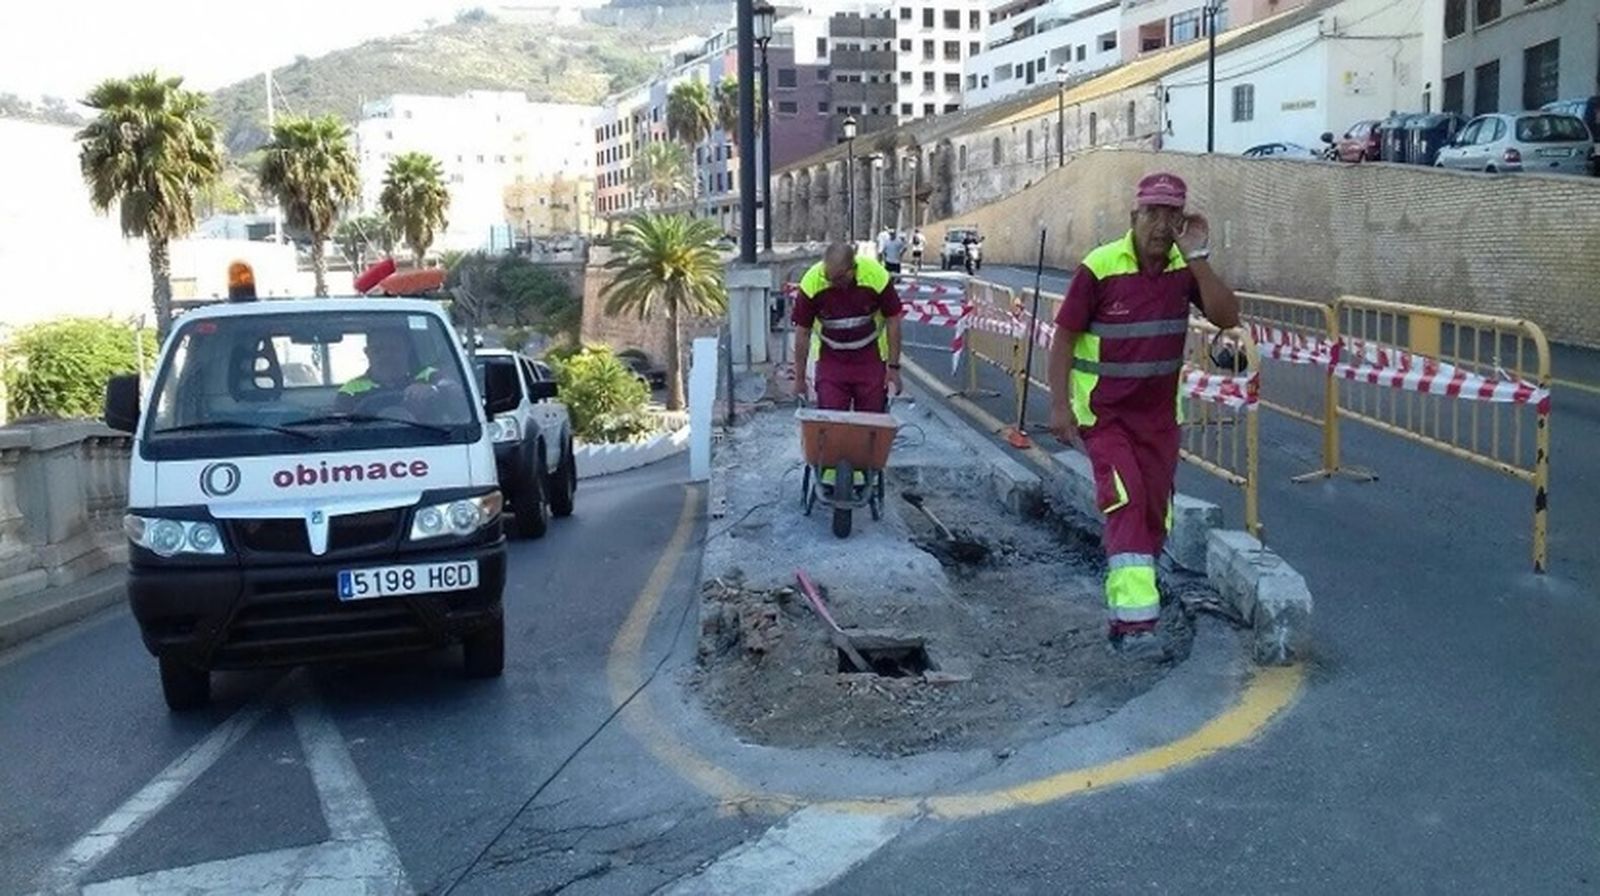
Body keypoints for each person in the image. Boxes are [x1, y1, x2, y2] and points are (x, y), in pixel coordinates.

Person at [1046, 172, 1240, 657]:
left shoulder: (1182, 269)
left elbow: (1226, 316)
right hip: (1104, 415)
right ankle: (1137, 629)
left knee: (1153, 515)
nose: (1161, 224)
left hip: (1157, 420)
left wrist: (1199, 258)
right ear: (1134, 217)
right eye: (1152, 213)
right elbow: (1064, 338)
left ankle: (1125, 611)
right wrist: (1060, 407)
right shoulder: (1101, 268)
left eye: (1171, 215)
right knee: (1127, 505)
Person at [792, 241, 904, 414]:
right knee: (831, 419)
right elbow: (802, 332)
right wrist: (799, 379)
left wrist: (893, 367)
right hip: (831, 359)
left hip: (870, 358)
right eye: (828, 279)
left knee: (871, 421)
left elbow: (893, 320)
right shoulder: (812, 282)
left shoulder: (876, 276)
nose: (832, 284)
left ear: (852, 269)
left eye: (838, 279)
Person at [337, 326, 460, 420]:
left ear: (407, 350)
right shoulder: (350, 391)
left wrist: (433, 389)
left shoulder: (428, 375)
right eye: (378, 350)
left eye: (393, 349)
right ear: (367, 353)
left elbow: (456, 391)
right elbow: (344, 431)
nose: (386, 356)